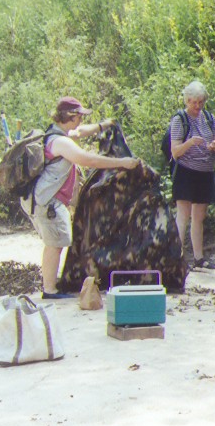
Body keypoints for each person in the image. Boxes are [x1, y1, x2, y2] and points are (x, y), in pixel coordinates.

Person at [22, 96, 140, 299]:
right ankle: (49, 290)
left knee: (56, 241)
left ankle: (50, 286)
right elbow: (88, 159)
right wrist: (122, 162)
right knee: (55, 244)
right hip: (46, 201)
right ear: (71, 117)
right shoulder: (60, 142)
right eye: (79, 117)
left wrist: (104, 125)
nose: (81, 121)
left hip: (43, 199)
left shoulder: (59, 133)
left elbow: (81, 132)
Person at [170, 81, 215, 269]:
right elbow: (175, 151)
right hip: (186, 171)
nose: (197, 106)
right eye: (194, 102)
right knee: (183, 214)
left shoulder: (209, 118)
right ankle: (177, 257)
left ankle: (199, 258)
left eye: (200, 102)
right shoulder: (179, 119)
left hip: (205, 172)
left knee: (199, 217)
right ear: (187, 100)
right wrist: (190, 143)